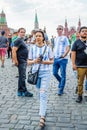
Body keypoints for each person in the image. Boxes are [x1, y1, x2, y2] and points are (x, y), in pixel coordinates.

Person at [28, 30, 54, 127]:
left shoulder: (48, 48)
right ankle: (43, 107)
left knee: (43, 94)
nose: (38, 37)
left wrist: (44, 62)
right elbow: (28, 62)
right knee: (39, 92)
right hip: (35, 73)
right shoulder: (32, 48)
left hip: (45, 73)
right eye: (36, 36)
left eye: (40, 36)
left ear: (43, 37)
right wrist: (35, 61)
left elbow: (52, 61)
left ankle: (42, 117)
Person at [12, 27, 33, 97]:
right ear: (18, 33)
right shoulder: (18, 40)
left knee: (21, 76)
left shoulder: (21, 40)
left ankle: (20, 91)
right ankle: (24, 91)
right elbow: (14, 50)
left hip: (23, 60)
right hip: (21, 61)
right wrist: (15, 61)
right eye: (21, 32)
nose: (23, 33)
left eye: (24, 32)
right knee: (22, 76)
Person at [53, 25, 70, 96]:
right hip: (56, 58)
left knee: (63, 74)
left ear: (62, 30)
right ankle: (61, 81)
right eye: (57, 29)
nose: (58, 30)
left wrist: (64, 55)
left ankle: (61, 89)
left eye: (60, 29)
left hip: (63, 59)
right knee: (54, 73)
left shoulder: (65, 38)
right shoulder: (55, 39)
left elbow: (68, 47)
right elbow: (54, 47)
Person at [71, 26, 87, 103]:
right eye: (83, 31)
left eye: (86, 31)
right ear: (80, 33)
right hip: (80, 66)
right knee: (80, 82)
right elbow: (73, 54)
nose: (85, 32)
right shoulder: (76, 42)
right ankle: (79, 95)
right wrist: (73, 64)